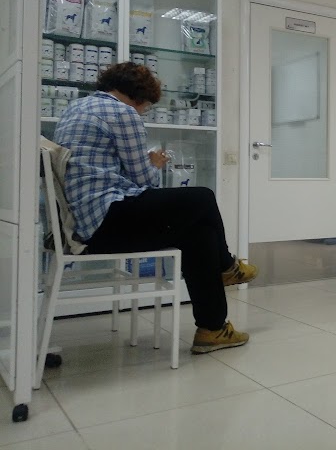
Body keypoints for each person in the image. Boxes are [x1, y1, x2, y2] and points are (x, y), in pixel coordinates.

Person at [54, 62, 257, 353]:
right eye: (147, 106)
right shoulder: (122, 112)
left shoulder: (76, 108)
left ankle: (212, 329)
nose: (143, 112)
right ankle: (227, 266)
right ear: (139, 96)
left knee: (198, 234)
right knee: (202, 197)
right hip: (107, 220)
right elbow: (145, 181)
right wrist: (154, 164)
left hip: (85, 223)